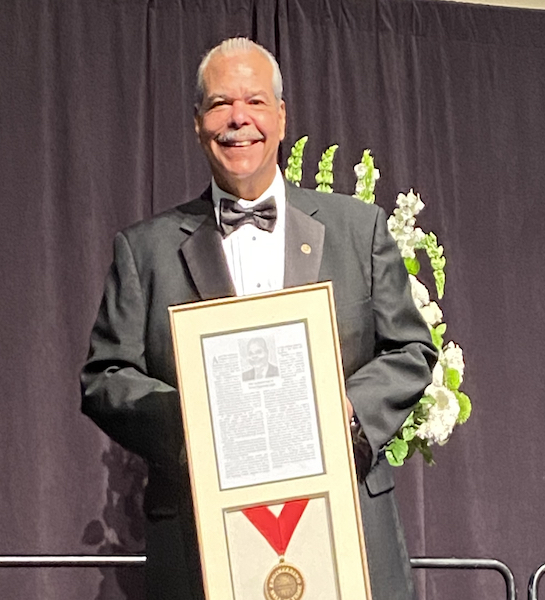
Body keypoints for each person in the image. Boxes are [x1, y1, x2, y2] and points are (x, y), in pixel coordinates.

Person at [81, 37, 437, 600]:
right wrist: (194, 423)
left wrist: (348, 412)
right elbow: (105, 377)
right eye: (220, 104)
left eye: (254, 101)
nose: (238, 119)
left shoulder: (357, 230)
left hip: (345, 531)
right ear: (198, 121)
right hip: (201, 541)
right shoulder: (144, 252)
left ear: (281, 116)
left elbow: (411, 352)